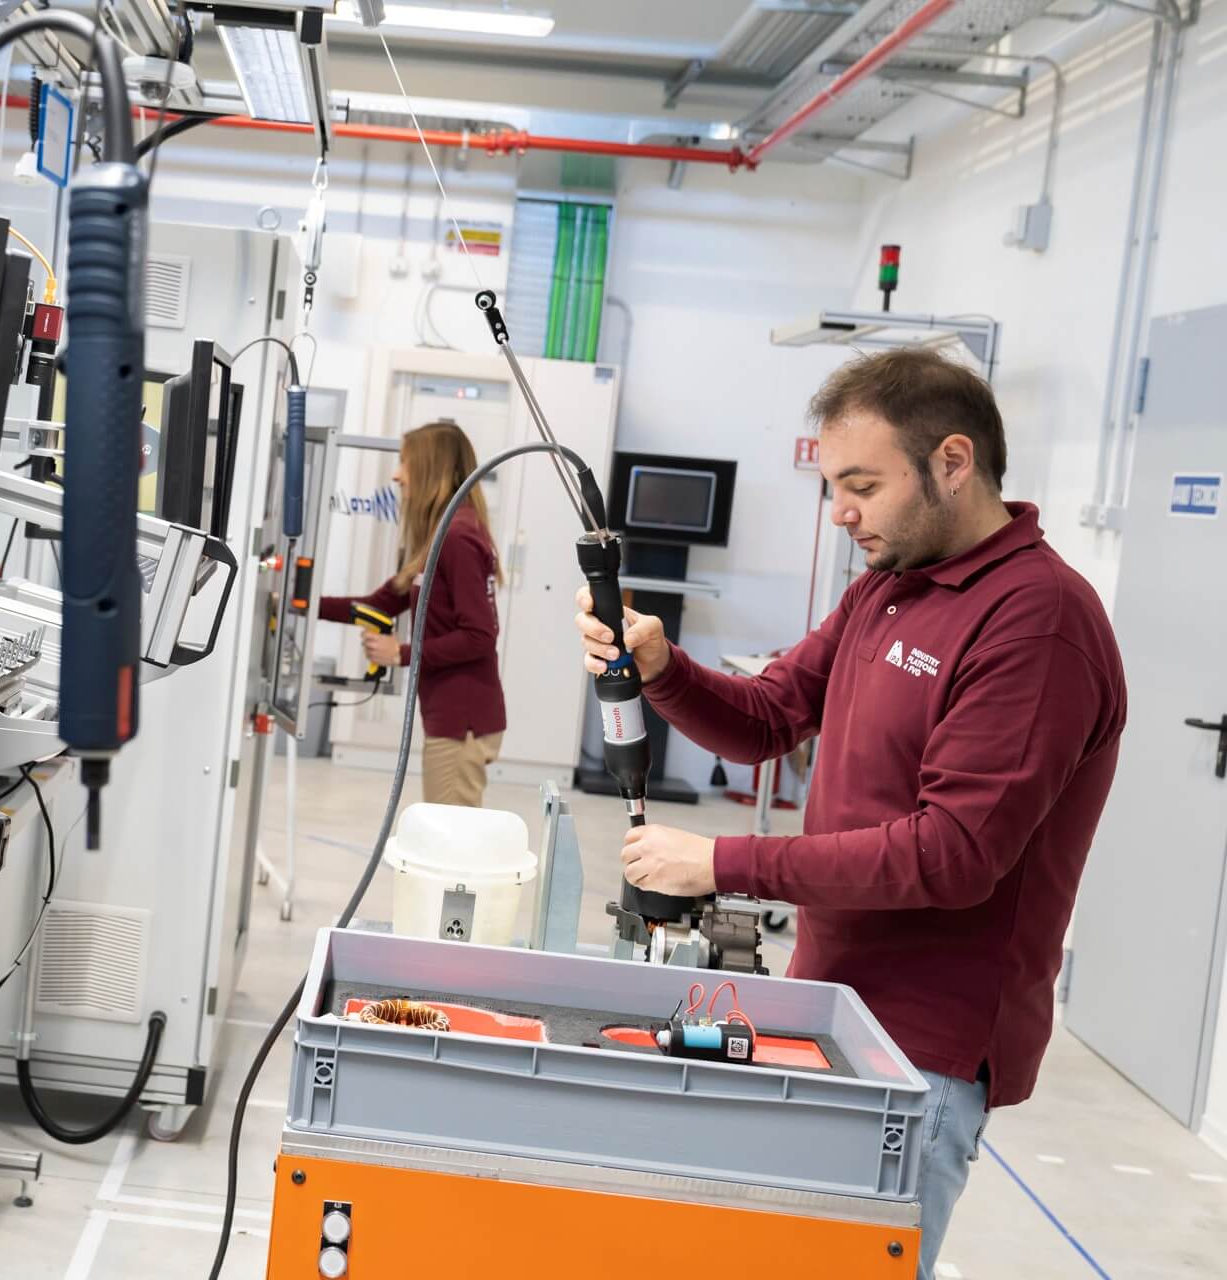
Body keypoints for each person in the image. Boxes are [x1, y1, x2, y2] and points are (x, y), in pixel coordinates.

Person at [576, 348, 1125, 1278]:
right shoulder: (888, 586)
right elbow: (768, 717)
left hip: (924, 1052)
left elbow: (952, 856)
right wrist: (664, 668)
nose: (841, 513)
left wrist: (724, 865)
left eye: (862, 485)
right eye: (835, 485)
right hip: (832, 1000)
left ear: (954, 462)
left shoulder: (1038, 622)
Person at [321, 421, 505, 807]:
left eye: (404, 462)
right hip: (450, 715)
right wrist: (296, 602)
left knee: (449, 843)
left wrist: (400, 654)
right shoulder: (442, 533)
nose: (396, 474)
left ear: (429, 468)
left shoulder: (458, 537)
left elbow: (480, 635)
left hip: (462, 720)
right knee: (447, 838)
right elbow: (379, 604)